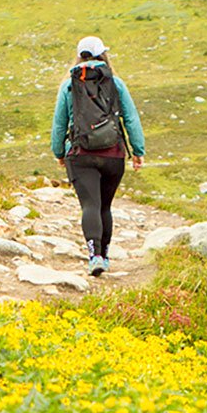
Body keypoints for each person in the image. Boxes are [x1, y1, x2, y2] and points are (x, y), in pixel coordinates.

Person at [49, 35, 146, 276]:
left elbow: (59, 124)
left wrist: (59, 152)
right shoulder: (116, 83)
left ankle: (95, 256)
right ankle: (106, 254)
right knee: (105, 206)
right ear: (102, 54)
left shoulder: (69, 85)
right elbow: (131, 119)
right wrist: (138, 151)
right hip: (113, 154)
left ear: (79, 55)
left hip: (80, 154)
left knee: (90, 205)